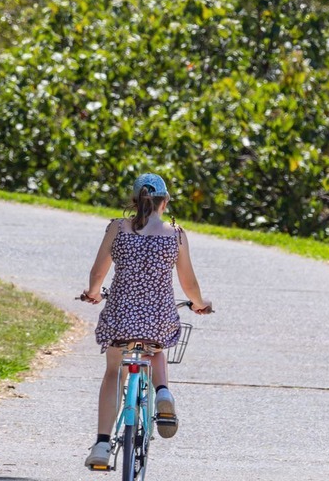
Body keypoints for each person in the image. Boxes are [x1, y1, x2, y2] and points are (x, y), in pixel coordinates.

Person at [78, 172, 212, 470]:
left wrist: (92, 294)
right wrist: (201, 305)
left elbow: (97, 274)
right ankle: (163, 392)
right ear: (165, 202)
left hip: (121, 316)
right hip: (159, 317)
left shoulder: (117, 228)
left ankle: (101, 444)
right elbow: (188, 283)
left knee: (114, 370)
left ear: (134, 201)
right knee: (156, 351)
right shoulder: (175, 233)